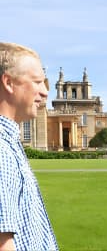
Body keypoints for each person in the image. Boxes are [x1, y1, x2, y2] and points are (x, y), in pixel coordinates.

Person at [0, 42, 58, 250]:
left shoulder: (10, 142)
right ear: (8, 82)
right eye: (37, 82)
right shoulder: (1, 150)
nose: (44, 93)